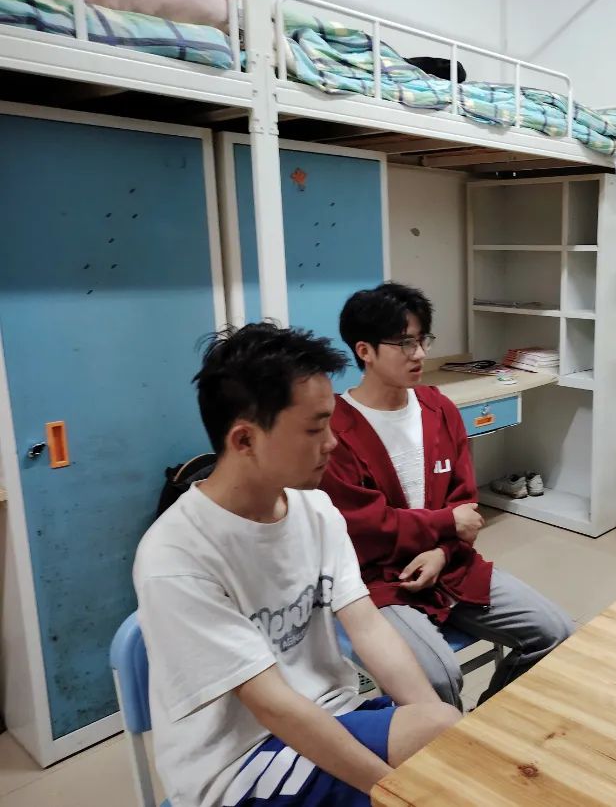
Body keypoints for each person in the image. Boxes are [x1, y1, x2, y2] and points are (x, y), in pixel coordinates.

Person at [134, 323, 459, 807]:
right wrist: (393, 792)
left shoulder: (316, 509)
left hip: (331, 715)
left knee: (445, 736)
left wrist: (435, 734)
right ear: (244, 440)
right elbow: (273, 706)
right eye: (314, 428)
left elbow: (368, 627)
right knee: (437, 745)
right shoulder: (176, 557)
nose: (332, 443)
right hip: (240, 765)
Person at [320, 282, 574, 709]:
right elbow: (364, 527)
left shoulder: (439, 409)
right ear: (365, 351)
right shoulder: (336, 430)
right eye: (405, 343)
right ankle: (446, 740)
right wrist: (446, 524)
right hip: (382, 581)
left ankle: (483, 726)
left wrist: (442, 550)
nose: (420, 353)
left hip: (450, 562)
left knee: (557, 633)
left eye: (423, 340)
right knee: (437, 678)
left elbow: (464, 504)